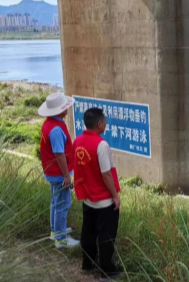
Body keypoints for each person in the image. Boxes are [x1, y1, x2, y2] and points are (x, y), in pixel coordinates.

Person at [74, 108, 123, 280]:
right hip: (103, 200)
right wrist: (115, 196)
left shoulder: (78, 141)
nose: (106, 124)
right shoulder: (101, 145)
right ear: (99, 124)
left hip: (87, 197)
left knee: (88, 231)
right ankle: (107, 270)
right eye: (105, 121)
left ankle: (87, 263)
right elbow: (106, 173)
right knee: (106, 235)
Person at [38, 92, 80, 248]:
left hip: (51, 172)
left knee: (55, 202)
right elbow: (59, 154)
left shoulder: (48, 124)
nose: (67, 109)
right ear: (58, 111)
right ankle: (61, 239)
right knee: (63, 204)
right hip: (58, 174)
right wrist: (66, 177)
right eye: (65, 107)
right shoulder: (56, 130)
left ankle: (55, 231)